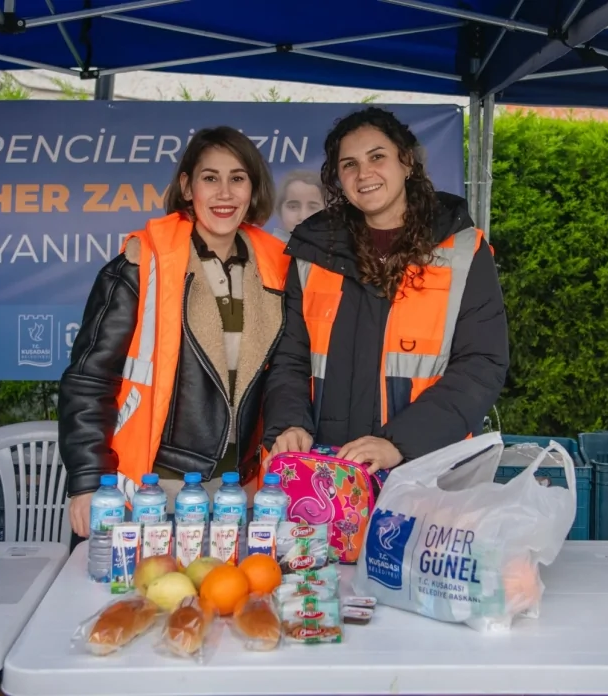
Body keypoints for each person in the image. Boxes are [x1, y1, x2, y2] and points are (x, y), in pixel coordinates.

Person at [59, 126, 290, 542]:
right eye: (210, 178)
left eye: (237, 178)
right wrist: (87, 481)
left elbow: (288, 376)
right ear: (187, 187)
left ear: (252, 190)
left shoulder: (278, 268)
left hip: (245, 493)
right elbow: (89, 379)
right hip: (151, 492)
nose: (224, 193)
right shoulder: (140, 264)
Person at [262, 107, 509, 475]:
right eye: (349, 164)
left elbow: (481, 365)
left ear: (406, 162)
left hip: (430, 471)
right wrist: (290, 424)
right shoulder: (313, 252)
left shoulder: (463, 251)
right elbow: (290, 359)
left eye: (377, 156)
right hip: (328, 472)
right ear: (337, 178)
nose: (364, 174)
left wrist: (399, 443)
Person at [273, 169, 325, 242]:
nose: (303, 217)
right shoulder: (263, 250)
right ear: (279, 211)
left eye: (313, 208)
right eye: (293, 207)